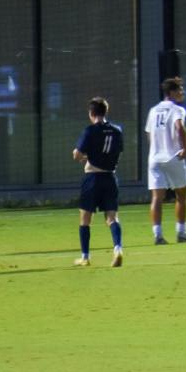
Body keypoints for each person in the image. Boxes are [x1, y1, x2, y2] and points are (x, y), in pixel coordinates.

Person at [72, 97, 126, 267]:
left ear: (91, 113)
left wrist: (85, 157)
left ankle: (85, 257)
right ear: (105, 111)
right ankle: (118, 248)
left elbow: (77, 154)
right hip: (110, 178)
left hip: (92, 178)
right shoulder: (117, 131)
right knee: (112, 218)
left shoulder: (90, 131)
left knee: (85, 219)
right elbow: (117, 153)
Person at [144, 78, 186, 245]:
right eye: (180, 89)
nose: (183, 92)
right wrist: (185, 148)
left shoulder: (153, 110)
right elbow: (180, 127)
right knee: (181, 194)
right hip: (173, 156)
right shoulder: (177, 109)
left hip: (154, 159)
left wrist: (155, 149)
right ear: (172, 92)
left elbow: (149, 133)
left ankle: (158, 236)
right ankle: (181, 233)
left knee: (156, 197)